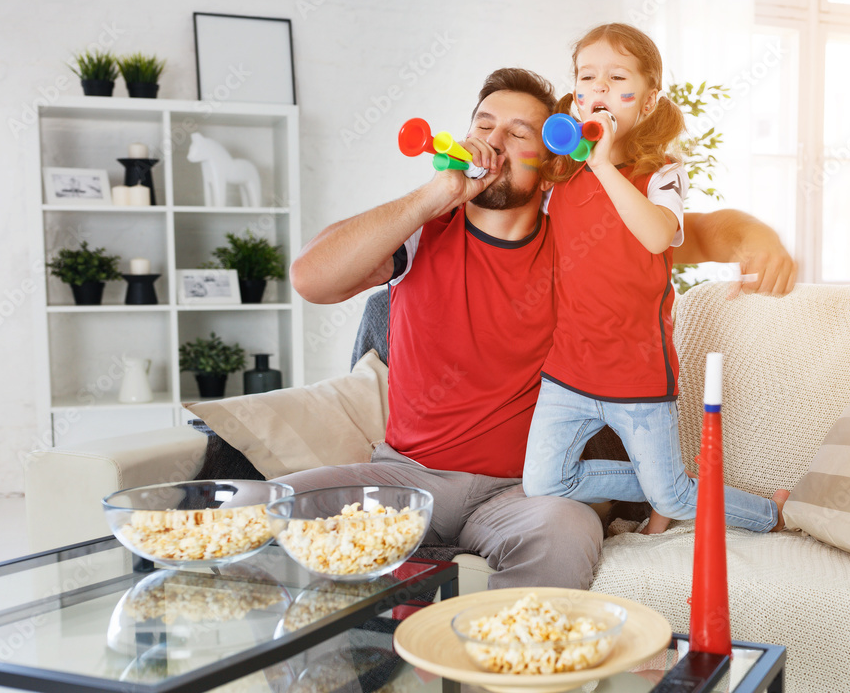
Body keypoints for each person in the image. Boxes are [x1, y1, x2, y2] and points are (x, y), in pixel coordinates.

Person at [286, 66, 795, 590]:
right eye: (484, 127)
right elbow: (311, 277)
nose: (494, 143)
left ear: (551, 163)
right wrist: (434, 196)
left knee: (566, 531)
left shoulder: (583, 237)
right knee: (265, 508)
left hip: (525, 491)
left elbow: (701, 231)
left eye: (518, 133)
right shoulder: (422, 231)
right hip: (407, 478)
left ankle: (502, 665)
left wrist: (759, 239)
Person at [521, 23, 789, 535]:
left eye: (616, 78)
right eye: (587, 78)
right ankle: (663, 484)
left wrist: (603, 168)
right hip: (568, 374)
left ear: (645, 103)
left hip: (638, 378)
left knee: (676, 498)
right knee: (543, 482)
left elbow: (656, 236)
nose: (599, 89)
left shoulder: (662, 175)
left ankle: (773, 513)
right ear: (576, 100)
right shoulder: (560, 179)